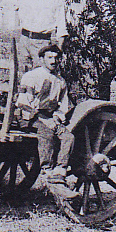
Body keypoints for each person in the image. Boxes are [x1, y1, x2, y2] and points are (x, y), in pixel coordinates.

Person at [16, 43, 75, 184]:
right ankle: (47, 169)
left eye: (56, 58)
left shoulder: (61, 81)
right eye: (49, 57)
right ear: (42, 59)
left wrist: (56, 117)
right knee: (47, 133)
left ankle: (60, 170)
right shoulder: (31, 76)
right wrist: (43, 120)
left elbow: (63, 104)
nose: (53, 61)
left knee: (69, 137)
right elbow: (23, 102)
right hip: (30, 117)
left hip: (50, 117)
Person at [12, 0, 68, 71]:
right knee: (25, 76)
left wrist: (59, 51)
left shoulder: (57, 0)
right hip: (24, 40)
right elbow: (3, 1)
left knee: (41, 75)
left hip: (42, 42)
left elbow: (62, 27)